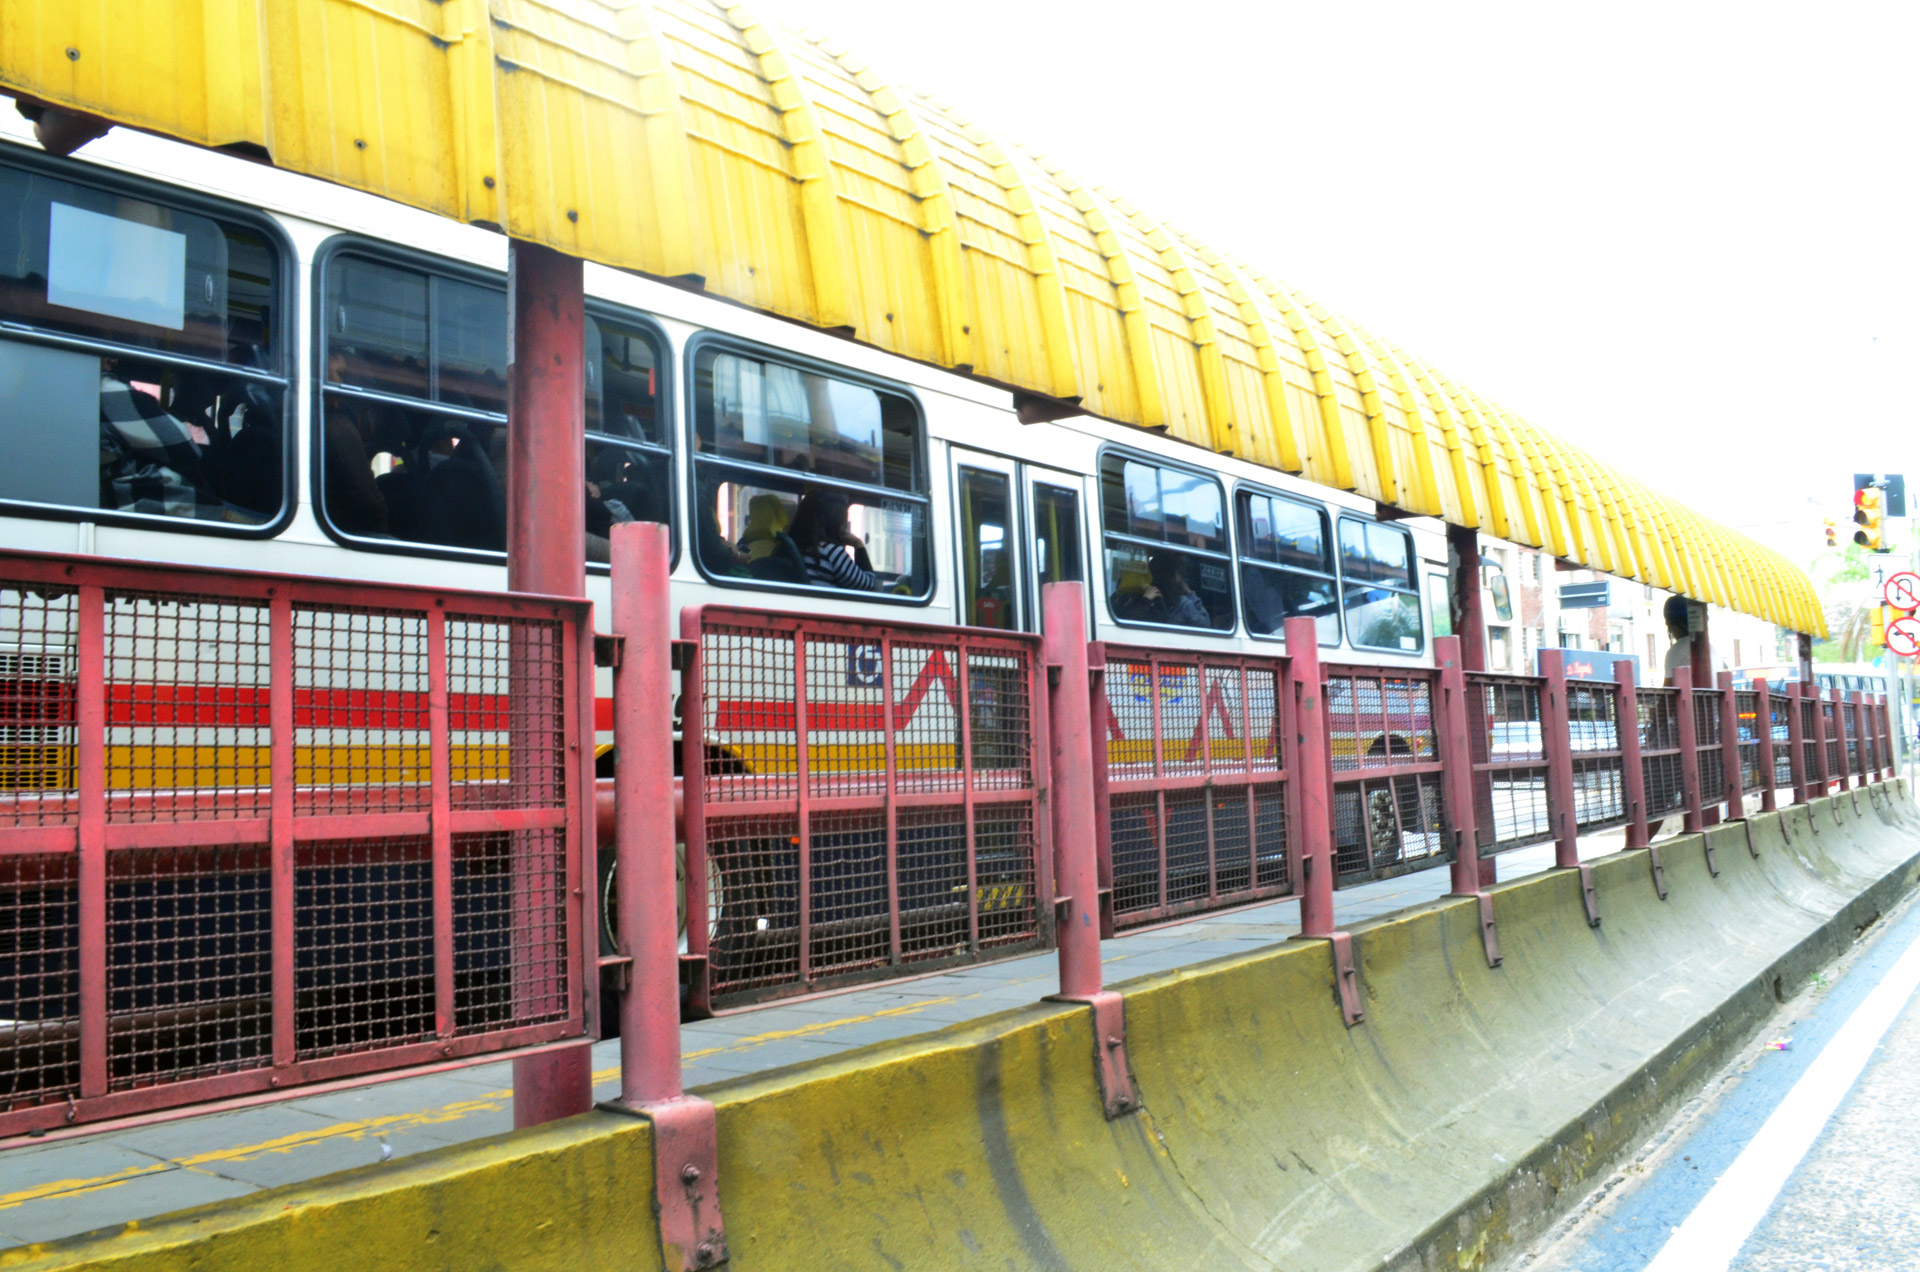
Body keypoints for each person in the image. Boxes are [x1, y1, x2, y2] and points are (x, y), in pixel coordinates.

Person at [790, 489, 880, 591]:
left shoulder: (794, 546)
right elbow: (869, 586)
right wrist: (858, 544)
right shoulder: (830, 552)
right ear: (836, 522)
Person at [1114, 552, 1210, 627]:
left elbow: (1204, 624)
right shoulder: (1144, 598)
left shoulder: (1182, 604)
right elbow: (1127, 623)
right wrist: (1145, 601)